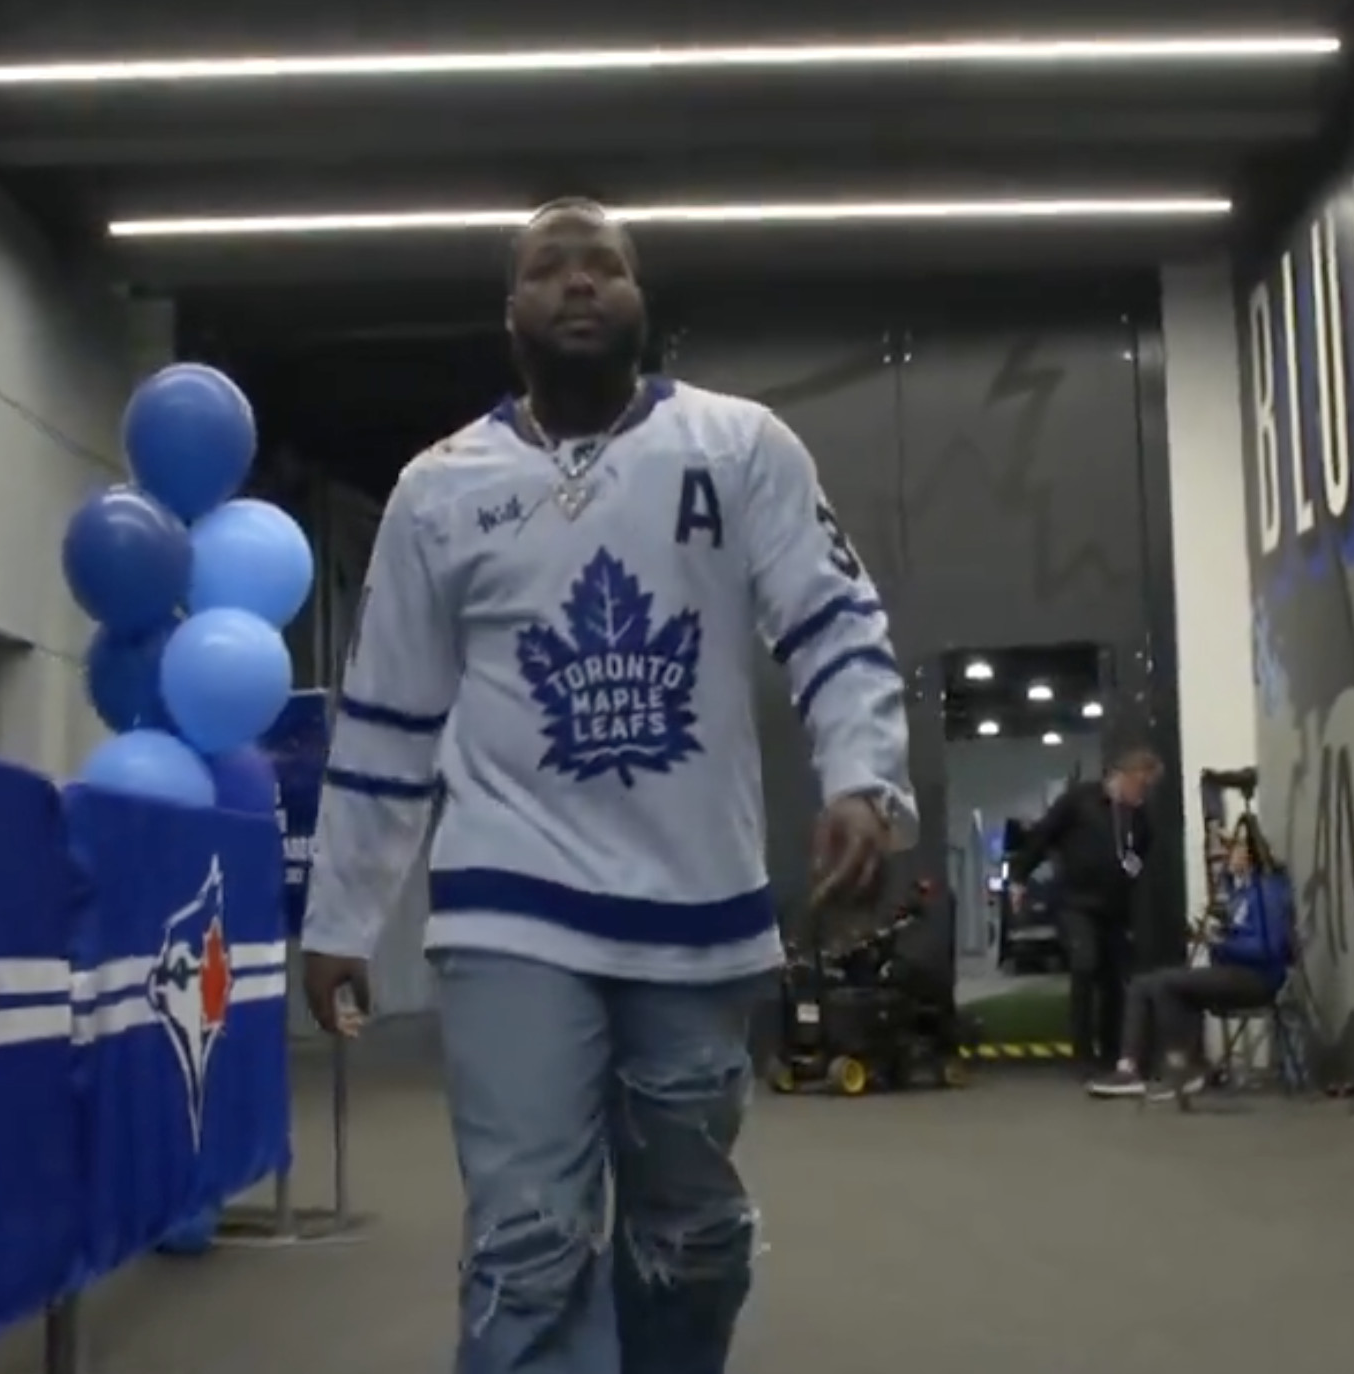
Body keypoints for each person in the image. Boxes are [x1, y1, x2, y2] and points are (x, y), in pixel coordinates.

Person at [300, 197, 915, 1374]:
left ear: (641, 303)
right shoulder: (438, 491)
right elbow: (388, 713)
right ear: (510, 315)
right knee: (527, 1241)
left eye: (605, 267)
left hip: (697, 911)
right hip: (508, 905)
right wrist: (340, 915)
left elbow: (834, 621)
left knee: (689, 1241)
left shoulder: (741, 449)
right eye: (549, 269)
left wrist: (863, 777)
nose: (579, 284)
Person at [1087, 813, 1294, 1098]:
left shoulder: (1266, 892)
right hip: (1233, 972)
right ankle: (1129, 1067)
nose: (1222, 856)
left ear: (1248, 853)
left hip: (1256, 978)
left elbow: (1268, 948)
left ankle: (1183, 1068)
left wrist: (1220, 943)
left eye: (1229, 848)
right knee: (1143, 984)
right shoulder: (1236, 894)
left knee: (1167, 984)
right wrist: (1216, 937)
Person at [1006, 745, 1162, 1074]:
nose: (1144, 794)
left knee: (1114, 979)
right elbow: (1042, 836)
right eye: (1142, 785)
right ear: (1124, 776)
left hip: (1114, 910)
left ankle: (1111, 1051)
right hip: (1075, 904)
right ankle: (1082, 1053)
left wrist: (1128, 875)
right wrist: (1019, 877)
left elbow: (1142, 852)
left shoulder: (1139, 819)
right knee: (1085, 964)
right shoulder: (1079, 801)